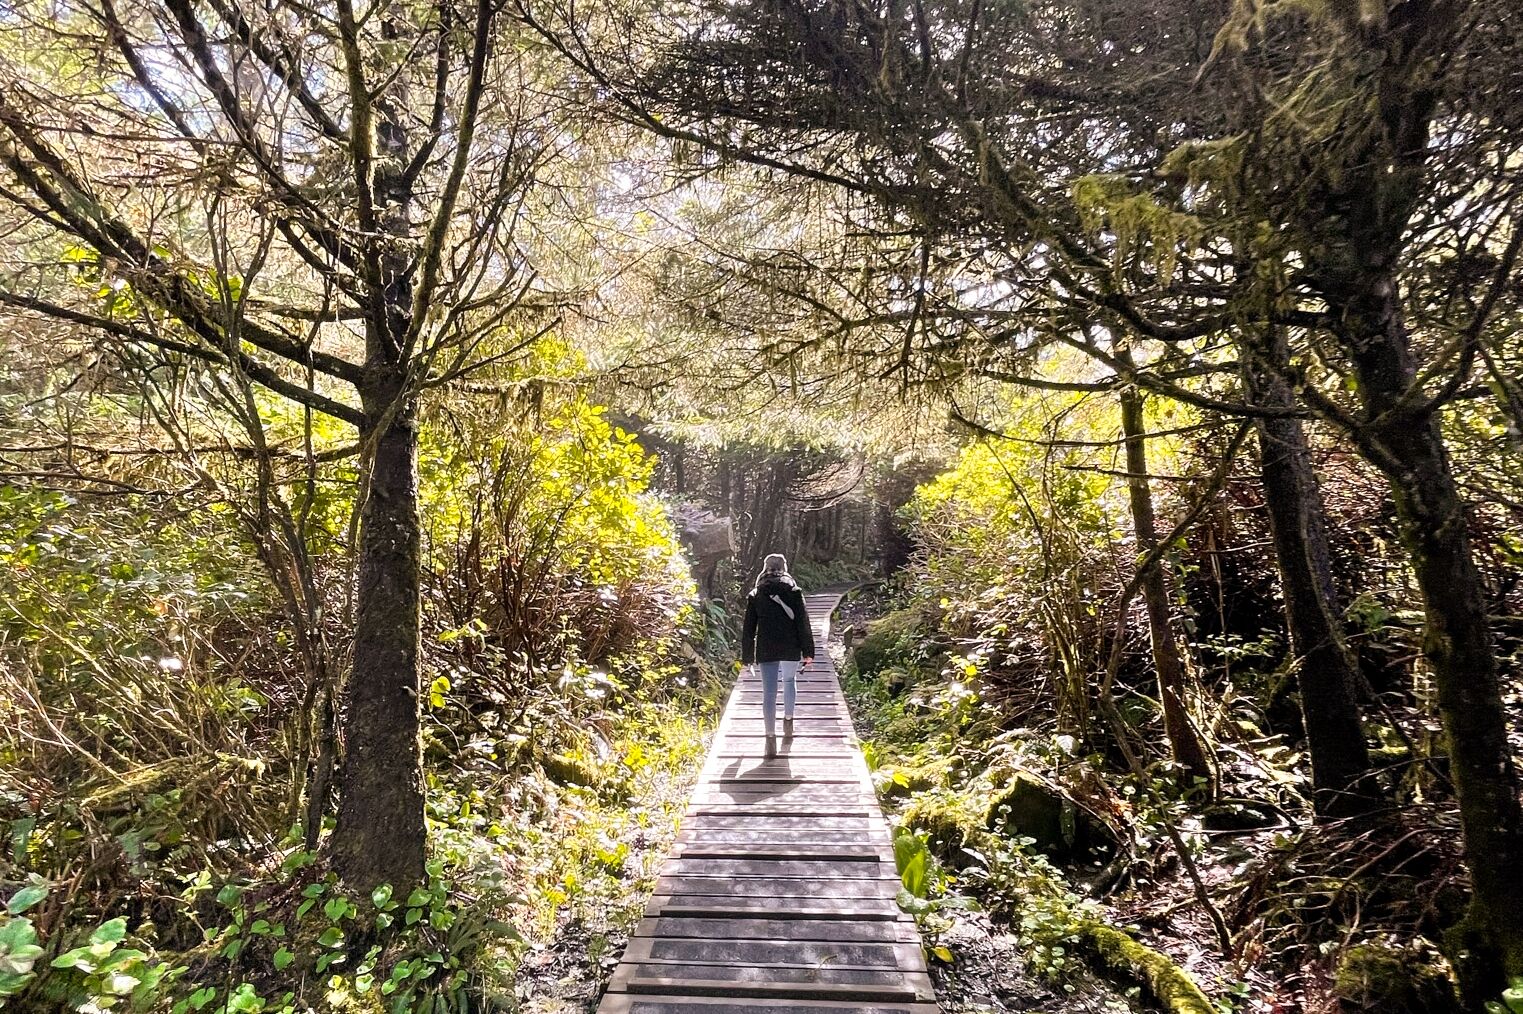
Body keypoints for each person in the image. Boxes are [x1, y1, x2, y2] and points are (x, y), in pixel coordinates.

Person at [740, 553, 815, 758]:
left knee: (769, 693)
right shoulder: (794, 590)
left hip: (766, 646)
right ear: (784, 567)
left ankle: (770, 739)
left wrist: (747, 656)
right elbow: (803, 623)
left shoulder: (756, 593)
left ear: (765, 568)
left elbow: (749, 628)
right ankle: (788, 722)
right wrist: (808, 651)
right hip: (791, 645)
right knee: (789, 681)